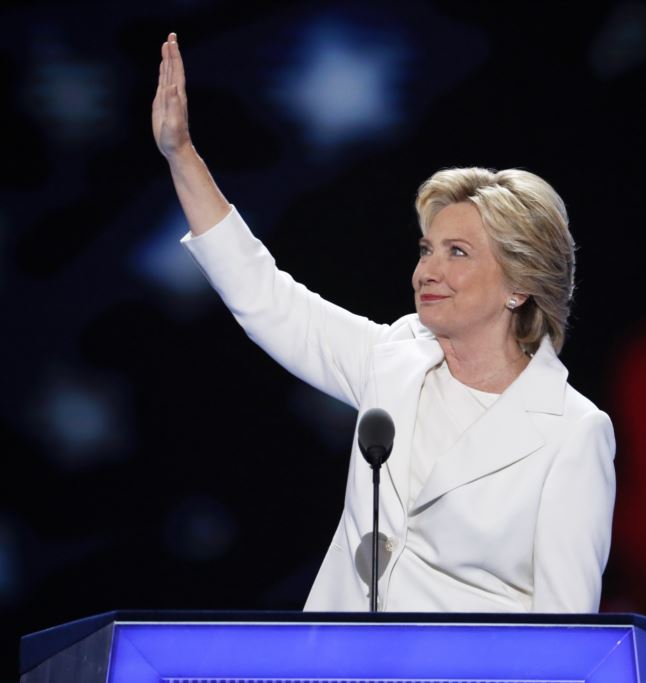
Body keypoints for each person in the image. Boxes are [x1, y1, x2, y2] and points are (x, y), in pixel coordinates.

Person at [153, 32, 616, 612]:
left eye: (458, 253)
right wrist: (181, 154)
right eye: (427, 249)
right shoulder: (396, 358)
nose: (428, 270)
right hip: (340, 665)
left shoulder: (573, 432)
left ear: (520, 285)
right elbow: (266, 298)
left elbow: (568, 629)